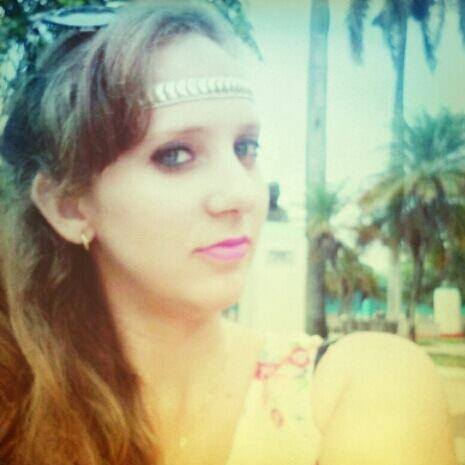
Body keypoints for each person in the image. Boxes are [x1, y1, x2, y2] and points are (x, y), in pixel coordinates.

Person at [0, 2, 456, 465]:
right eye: (175, 155)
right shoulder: (17, 408)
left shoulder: (361, 387)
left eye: (245, 148)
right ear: (69, 206)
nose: (242, 194)